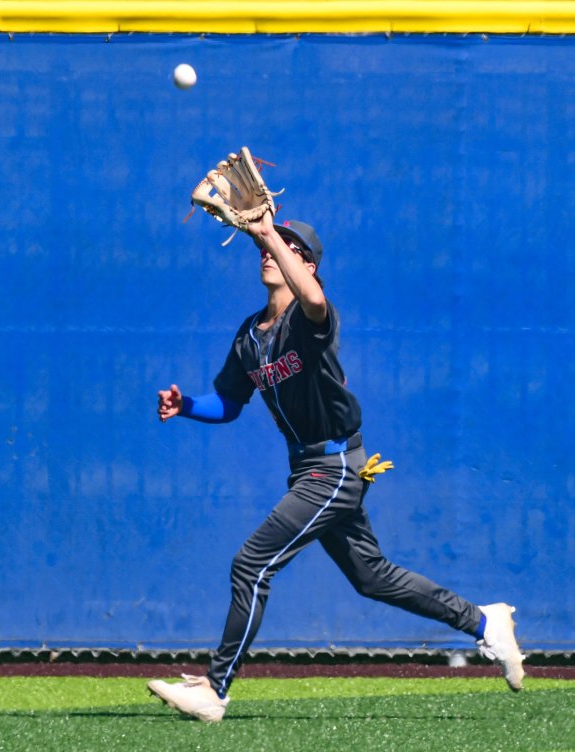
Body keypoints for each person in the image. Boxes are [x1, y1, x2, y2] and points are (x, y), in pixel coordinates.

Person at [148, 212, 524, 723]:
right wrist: (186, 404)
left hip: (334, 467)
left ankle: (215, 690)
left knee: (252, 564)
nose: (270, 251)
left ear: (306, 264)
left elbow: (316, 300)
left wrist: (265, 232)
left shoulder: (310, 318)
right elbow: (229, 402)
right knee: (373, 577)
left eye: (286, 247)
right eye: (268, 245)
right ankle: (485, 622)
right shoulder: (249, 336)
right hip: (308, 469)